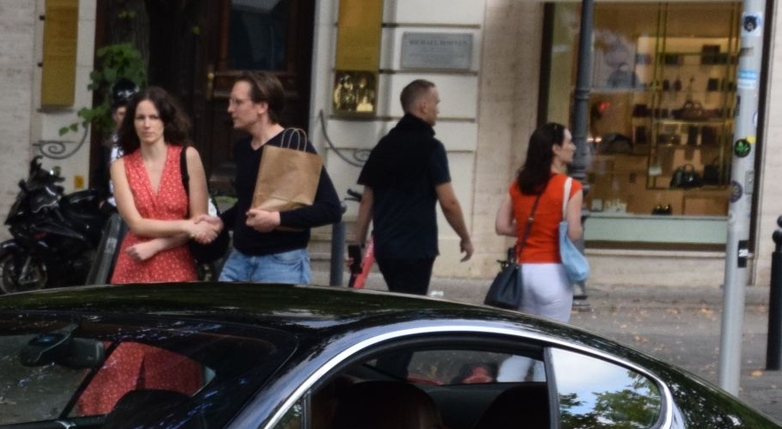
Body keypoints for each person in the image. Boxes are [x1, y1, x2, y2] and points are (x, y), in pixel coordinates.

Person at [351, 79, 474, 296]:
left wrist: (357, 244)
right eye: (436, 102)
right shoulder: (432, 148)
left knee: (398, 300)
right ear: (423, 106)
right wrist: (464, 237)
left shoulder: (384, 146)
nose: (438, 109)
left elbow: (367, 199)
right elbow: (449, 202)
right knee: (410, 308)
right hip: (417, 247)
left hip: (386, 246)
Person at [216, 72, 341, 285]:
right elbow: (249, 204)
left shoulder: (293, 146)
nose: (230, 109)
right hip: (239, 259)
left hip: (281, 263)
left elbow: (330, 208)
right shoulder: (243, 149)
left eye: (237, 102)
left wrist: (277, 219)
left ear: (262, 106)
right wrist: (219, 222)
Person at [107, 87, 218, 283]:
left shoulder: (188, 157)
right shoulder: (120, 166)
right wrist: (187, 226)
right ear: (132, 123)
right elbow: (137, 225)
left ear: (165, 120)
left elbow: (198, 221)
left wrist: (156, 246)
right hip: (134, 264)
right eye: (140, 118)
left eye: (154, 117)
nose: (147, 124)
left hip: (177, 265)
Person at [495, 122, 587, 323]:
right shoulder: (570, 186)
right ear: (555, 148)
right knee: (553, 343)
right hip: (553, 272)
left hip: (523, 271)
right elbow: (573, 233)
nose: (573, 147)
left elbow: (501, 226)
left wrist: (530, 230)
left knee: (526, 340)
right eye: (569, 142)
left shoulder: (519, 185)